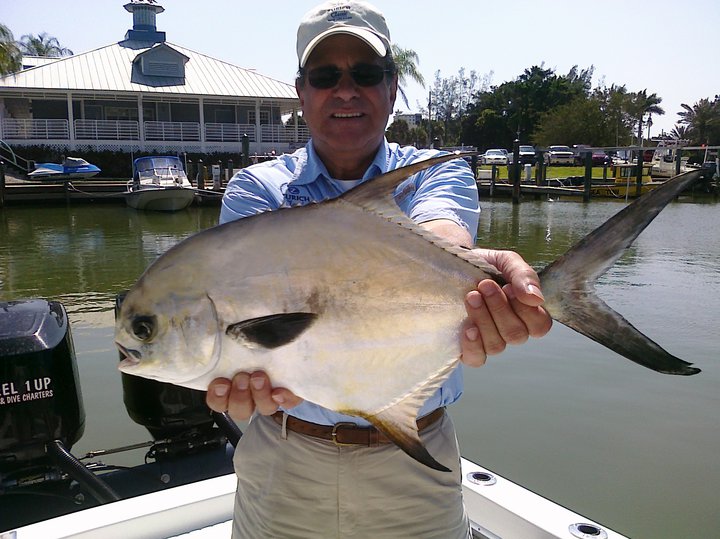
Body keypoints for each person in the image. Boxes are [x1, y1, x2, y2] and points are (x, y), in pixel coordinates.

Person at [206, 2, 552, 537]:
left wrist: (475, 280)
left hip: (414, 464)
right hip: (283, 463)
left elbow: (441, 236)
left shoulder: (436, 173)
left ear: (392, 88)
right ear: (302, 93)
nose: (346, 91)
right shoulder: (258, 192)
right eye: (325, 76)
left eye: (365, 74)